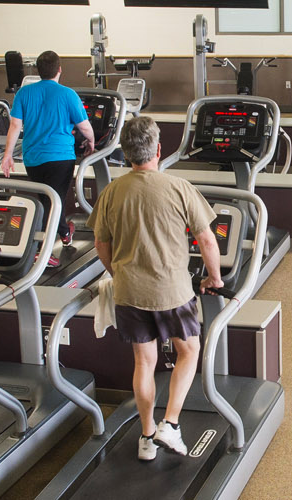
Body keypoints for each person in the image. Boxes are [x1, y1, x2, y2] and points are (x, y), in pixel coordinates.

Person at [89, 115, 227, 461]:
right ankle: (171, 424)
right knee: (189, 351)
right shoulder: (178, 187)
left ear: (125, 153)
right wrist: (215, 278)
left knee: (144, 361)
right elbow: (208, 241)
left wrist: (117, 272)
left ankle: (147, 437)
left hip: (129, 293)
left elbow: (100, 244)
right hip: (172, 292)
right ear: (159, 150)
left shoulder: (111, 192)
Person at [3, 51, 95, 245]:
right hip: (60, 157)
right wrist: (92, 142)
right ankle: (42, 248)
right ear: (59, 69)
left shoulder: (23, 93)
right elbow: (85, 126)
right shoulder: (68, 94)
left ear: (38, 71)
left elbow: (14, 126)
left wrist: (8, 155)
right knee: (54, 200)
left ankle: (63, 233)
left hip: (33, 158)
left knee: (48, 199)